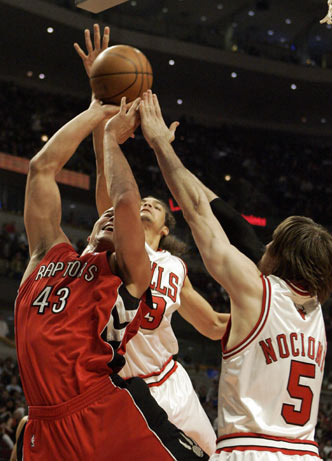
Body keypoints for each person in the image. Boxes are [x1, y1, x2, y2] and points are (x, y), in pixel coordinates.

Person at [138, 89, 332, 461]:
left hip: (250, 451)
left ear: (280, 255)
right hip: (306, 453)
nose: (264, 246)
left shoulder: (257, 292)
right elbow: (236, 226)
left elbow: (199, 213)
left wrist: (158, 146)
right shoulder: (317, 309)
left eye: (272, 243)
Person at [15, 96, 208, 460]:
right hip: (44, 419)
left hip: (102, 407)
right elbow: (41, 168)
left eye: (123, 221)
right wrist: (95, 111)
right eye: (102, 217)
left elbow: (123, 203)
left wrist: (109, 137)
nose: (114, 217)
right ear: (89, 231)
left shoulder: (128, 272)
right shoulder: (46, 254)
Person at [74, 24, 228, 455]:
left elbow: (214, 324)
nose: (146, 206)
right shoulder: (118, 244)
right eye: (143, 202)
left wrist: (275, 316)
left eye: (156, 207)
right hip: (122, 387)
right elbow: (109, 186)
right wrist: (101, 107)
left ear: (165, 229)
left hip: (172, 383)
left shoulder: (175, 269)